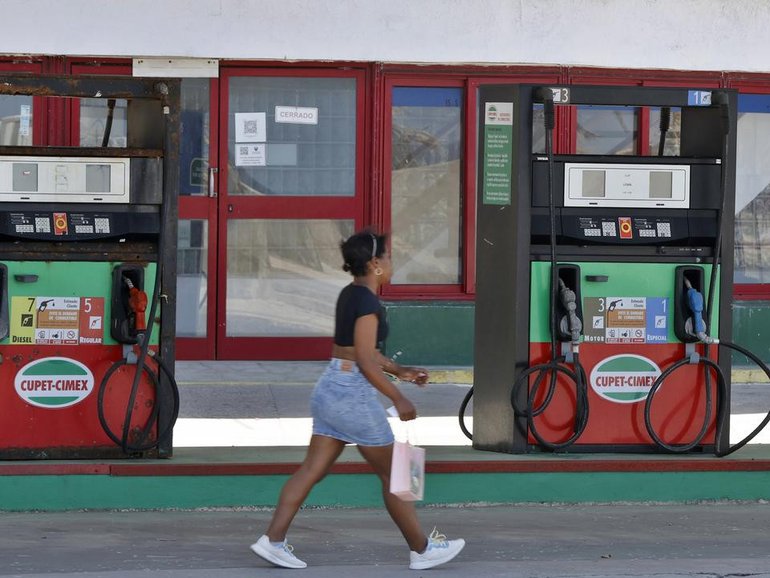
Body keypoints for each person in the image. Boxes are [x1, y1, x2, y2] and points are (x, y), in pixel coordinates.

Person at [250, 229, 465, 571]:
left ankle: (272, 541)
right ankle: (423, 550)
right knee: (399, 473)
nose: (393, 265)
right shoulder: (368, 302)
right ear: (375, 264)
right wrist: (400, 398)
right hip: (351, 394)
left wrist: (401, 370)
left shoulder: (350, 295)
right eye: (389, 259)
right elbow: (365, 359)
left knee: (311, 471)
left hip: (331, 388)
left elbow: (360, 352)